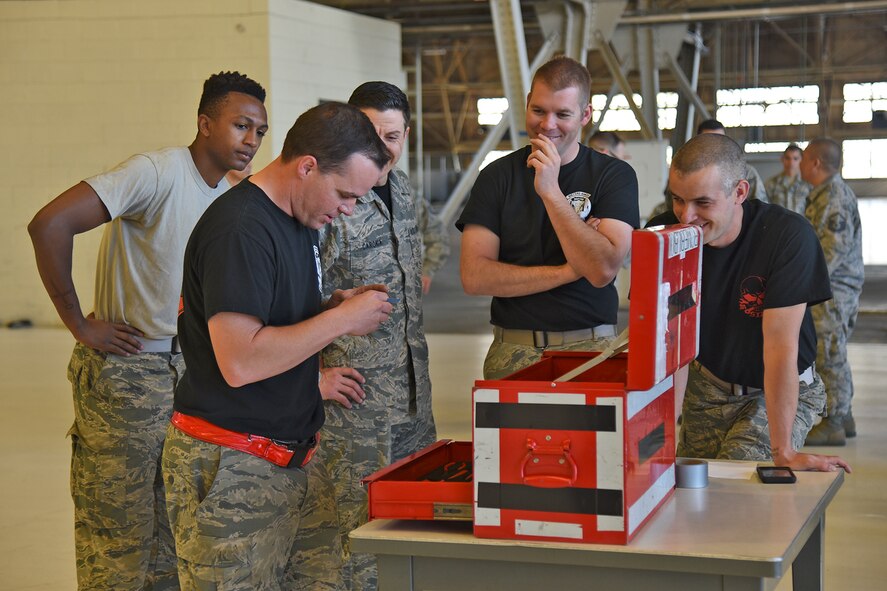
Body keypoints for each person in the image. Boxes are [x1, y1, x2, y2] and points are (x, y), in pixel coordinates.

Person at [28, 71, 267, 590]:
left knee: (173, 528)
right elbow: (49, 224)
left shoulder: (233, 196)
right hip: (130, 376)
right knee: (118, 531)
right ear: (205, 124)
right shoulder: (155, 172)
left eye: (260, 132)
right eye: (240, 126)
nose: (251, 141)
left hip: (191, 375)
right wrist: (78, 323)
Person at [161, 101, 392, 589]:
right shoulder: (242, 229)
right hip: (232, 466)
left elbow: (270, 316)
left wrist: (331, 307)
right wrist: (341, 322)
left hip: (280, 459)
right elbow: (240, 360)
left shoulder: (298, 218)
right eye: (347, 194)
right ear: (307, 166)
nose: (349, 209)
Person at [648, 133, 851, 473]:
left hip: (774, 389)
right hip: (708, 386)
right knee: (683, 479)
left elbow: (779, 349)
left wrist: (783, 450)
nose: (686, 216)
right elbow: (674, 344)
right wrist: (662, 433)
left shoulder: (786, 237)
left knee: (735, 481)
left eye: (703, 203)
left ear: (739, 192)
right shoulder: (665, 236)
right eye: (678, 200)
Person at [315, 81, 448, 590]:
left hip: (414, 396)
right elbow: (297, 292)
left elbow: (431, 241)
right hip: (355, 404)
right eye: (370, 134)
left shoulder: (407, 188)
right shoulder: (331, 197)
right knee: (350, 534)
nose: (382, 148)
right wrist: (315, 374)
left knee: (415, 524)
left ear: (406, 135)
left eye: (391, 136)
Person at [457, 55, 639, 379]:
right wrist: (569, 270)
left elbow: (601, 270)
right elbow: (474, 277)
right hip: (511, 352)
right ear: (527, 103)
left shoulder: (613, 176)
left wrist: (551, 192)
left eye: (563, 114)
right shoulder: (496, 177)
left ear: (586, 114)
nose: (548, 124)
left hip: (590, 349)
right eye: (538, 110)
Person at [801, 138, 864, 446]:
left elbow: (831, 253)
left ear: (815, 163)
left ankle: (834, 422)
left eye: (803, 159)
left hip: (833, 289)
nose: (799, 164)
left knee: (829, 354)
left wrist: (801, 284)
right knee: (832, 349)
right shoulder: (825, 194)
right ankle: (845, 415)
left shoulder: (834, 197)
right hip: (831, 288)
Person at [696, 118, 769, 203]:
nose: (715, 145)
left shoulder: (747, 172)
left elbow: (760, 209)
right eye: (709, 140)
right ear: (698, 141)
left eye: (720, 139)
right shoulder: (688, 173)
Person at [765, 144, 811, 215]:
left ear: (801, 160)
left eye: (795, 158)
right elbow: (766, 209)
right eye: (787, 158)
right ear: (782, 159)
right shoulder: (771, 184)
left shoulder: (808, 184)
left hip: (802, 225)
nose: (791, 163)